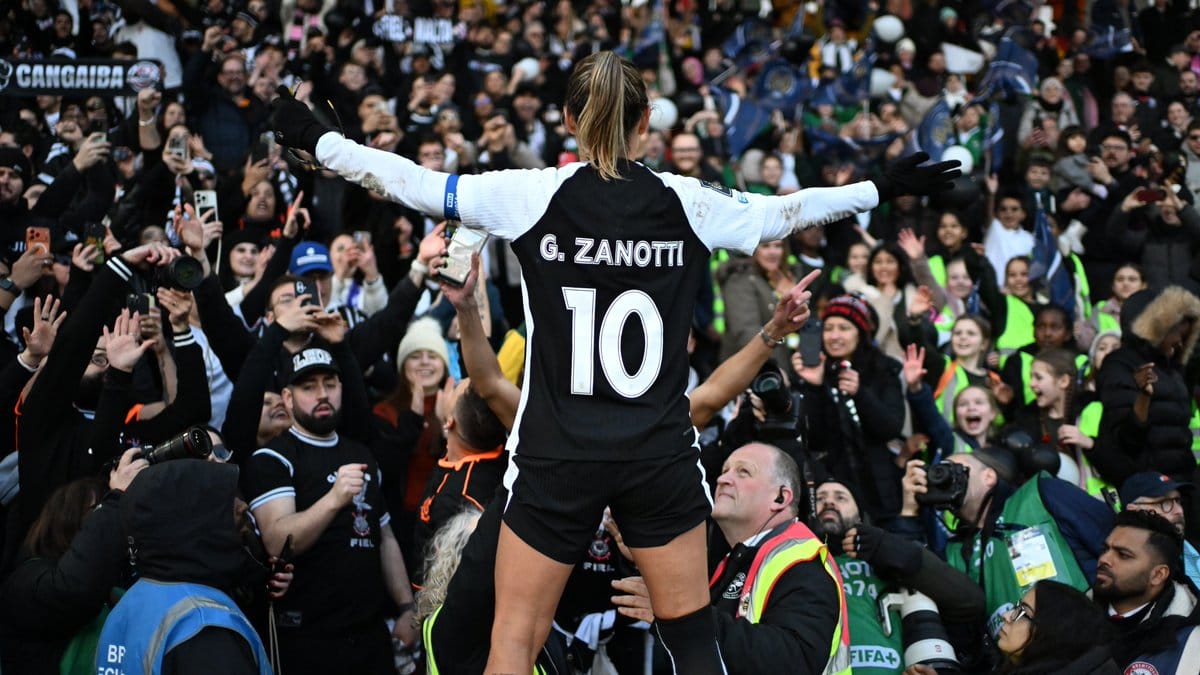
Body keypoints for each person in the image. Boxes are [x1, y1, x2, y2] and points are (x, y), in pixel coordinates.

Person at [269, 50, 960, 673]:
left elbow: (411, 181)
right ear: (647, 122)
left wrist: (318, 139)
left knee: (514, 638)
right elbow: (787, 212)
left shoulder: (529, 193)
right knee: (693, 639)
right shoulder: (688, 201)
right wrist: (877, 186)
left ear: (570, 119)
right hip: (657, 454)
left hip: (557, 455)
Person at [243, 346, 417, 674]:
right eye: (309, 387)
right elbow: (278, 542)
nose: (322, 394)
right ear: (288, 398)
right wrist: (334, 498)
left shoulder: (362, 454)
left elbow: (386, 538)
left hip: (370, 635)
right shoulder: (273, 458)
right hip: (307, 639)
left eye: (330, 384)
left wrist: (407, 607)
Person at [613, 442, 851, 675]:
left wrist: (683, 613)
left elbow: (795, 659)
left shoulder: (803, 560)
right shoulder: (739, 558)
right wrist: (649, 559)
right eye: (724, 470)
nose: (722, 479)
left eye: (743, 471)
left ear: (780, 498)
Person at [900, 450, 1114, 641]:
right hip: (1022, 662)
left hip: (1087, 637)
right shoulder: (953, 553)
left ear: (989, 476)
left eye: (953, 469)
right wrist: (909, 511)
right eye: (937, 473)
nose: (943, 478)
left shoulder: (1040, 494)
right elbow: (910, 567)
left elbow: (1110, 540)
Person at [97, 460, 271, 675]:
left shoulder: (125, 608)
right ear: (189, 521)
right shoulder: (203, 625)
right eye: (219, 499)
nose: (242, 505)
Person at [815, 479, 985, 674]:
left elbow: (970, 601)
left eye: (840, 498)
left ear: (860, 516)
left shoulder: (885, 557)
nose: (829, 502)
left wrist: (888, 548)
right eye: (819, 498)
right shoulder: (802, 563)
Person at [1094, 509, 1200, 673]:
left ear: (1158, 575)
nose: (1104, 559)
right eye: (1105, 549)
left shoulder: (1190, 641)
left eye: (1123, 555)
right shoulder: (1072, 612)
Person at [1120, 471, 1200, 589]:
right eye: (1165, 503)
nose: (1179, 510)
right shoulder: (1133, 572)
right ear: (1134, 510)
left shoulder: (1193, 549)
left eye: (1178, 501)